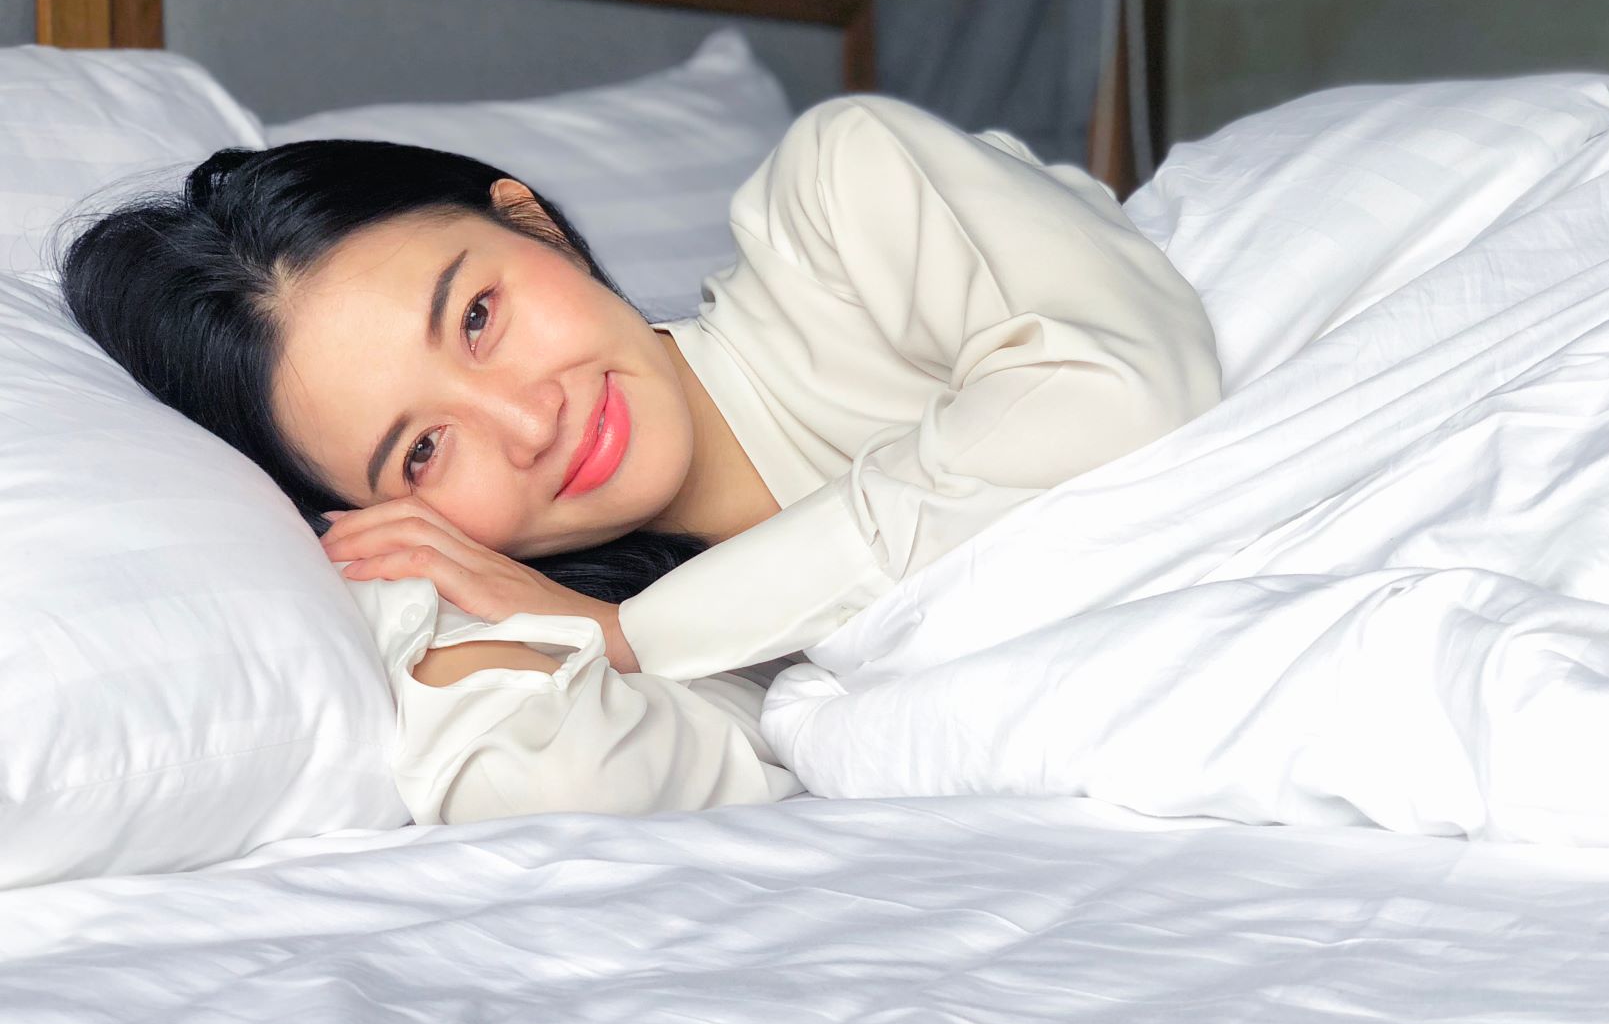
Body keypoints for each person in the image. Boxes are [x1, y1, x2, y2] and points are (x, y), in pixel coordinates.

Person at [59, 94, 1223, 822]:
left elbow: (1120, 390)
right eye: (421, 450)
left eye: (476, 317)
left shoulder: (847, 202)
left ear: (535, 224)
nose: (528, 425)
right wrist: (434, 621)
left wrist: (646, 633)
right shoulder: (632, 631)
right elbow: (557, 781)